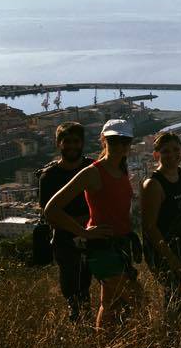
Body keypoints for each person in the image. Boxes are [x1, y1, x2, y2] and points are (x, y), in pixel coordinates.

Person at [45, 119, 140, 330]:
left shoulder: (122, 169)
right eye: (114, 141)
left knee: (111, 304)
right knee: (140, 302)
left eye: (125, 141)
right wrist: (83, 232)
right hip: (103, 249)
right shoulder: (93, 172)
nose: (120, 146)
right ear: (103, 141)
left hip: (120, 246)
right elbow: (51, 209)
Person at [37, 122, 94, 322]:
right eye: (66, 141)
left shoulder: (92, 168)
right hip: (66, 240)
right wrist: (81, 225)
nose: (71, 146)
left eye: (75, 141)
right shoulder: (49, 176)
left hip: (95, 235)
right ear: (58, 143)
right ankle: (81, 326)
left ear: (83, 143)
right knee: (75, 291)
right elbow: (49, 214)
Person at [140, 133, 181, 310]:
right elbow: (149, 227)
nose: (172, 154)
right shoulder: (153, 184)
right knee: (176, 299)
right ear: (156, 155)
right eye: (165, 151)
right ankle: (173, 335)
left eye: (176, 150)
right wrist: (173, 261)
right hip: (168, 252)